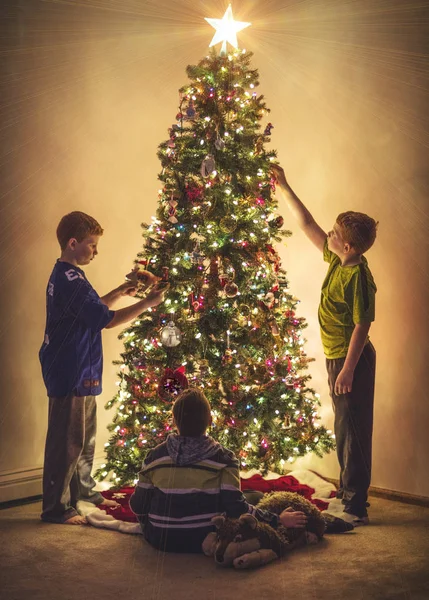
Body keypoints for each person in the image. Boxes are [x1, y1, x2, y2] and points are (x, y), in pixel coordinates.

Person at [39, 211, 167, 525]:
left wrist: (121, 292)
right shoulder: (69, 279)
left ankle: (84, 493)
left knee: (83, 438)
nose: (96, 251)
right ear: (72, 243)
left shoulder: (71, 275)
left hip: (82, 368)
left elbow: (93, 307)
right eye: (92, 245)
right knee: (66, 442)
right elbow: (105, 321)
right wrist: (146, 305)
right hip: (70, 370)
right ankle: (56, 508)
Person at [271, 164, 378, 526]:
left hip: (353, 361)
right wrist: (284, 186)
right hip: (339, 359)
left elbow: (362, 325)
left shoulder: (358, 277)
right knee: (344, 427)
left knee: (355, 431)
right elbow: (307, 224)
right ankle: (350, 496)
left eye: (334, 234)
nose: (327, 235)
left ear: (347, 245)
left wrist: (348, 369)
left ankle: (355, 506)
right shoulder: (338, 258)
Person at [129, 388, 308, 553]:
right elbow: (236, 509)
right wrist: (277, 519)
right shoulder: (223, 458)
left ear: (174, 421)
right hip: (207, 537)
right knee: (251, 498)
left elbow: (138, 506)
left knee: (249, 496)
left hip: (159, 538)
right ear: (210, 421)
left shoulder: (154, 456)